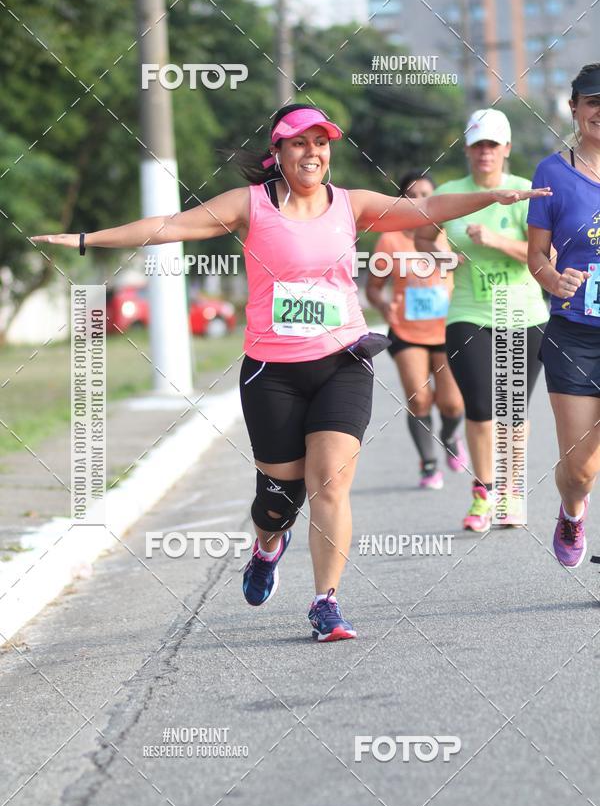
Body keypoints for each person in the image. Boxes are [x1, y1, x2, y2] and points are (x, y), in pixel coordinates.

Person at [32, 103, 551, 640]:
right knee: (277, 501)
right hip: (273, 371)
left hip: (342, 362)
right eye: (300, 142)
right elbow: (170, 226)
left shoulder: (351, 205)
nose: (313, 153)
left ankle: (326, 601)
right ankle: (267, 546)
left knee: (330, 480)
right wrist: (88, 240)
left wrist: (491, 196)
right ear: (277, 152)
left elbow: (426, 209)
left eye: (321, 143)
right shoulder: (249, 205)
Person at [415, 108, 549, 532]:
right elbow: (421, 235)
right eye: (477, 145)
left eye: (492, 145)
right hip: (469, 312)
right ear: (468, 149)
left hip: (524, 312)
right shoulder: (452, 193)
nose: (484, 153)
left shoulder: (528, 192)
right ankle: (483, 493)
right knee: (479, 407)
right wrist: (442, 256)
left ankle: (511, 492)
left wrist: (494, 239)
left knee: (513, 411)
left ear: (506, 149)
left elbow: (547, 258)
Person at [527, 63, 600, 568]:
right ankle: (572, 510)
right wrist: (555, 281)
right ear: (574, 107)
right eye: (593, 101)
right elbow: (536, 256)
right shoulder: (552, 173)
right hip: (574, 335)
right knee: (580, 469)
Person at [366, 170, 467, 490]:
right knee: (420, 399)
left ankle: (450, 435)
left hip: (448, 329)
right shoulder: (389, 239)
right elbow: (373, 288)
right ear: (401, 201)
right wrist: (385, 308)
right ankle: (428, 464)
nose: (419, 200)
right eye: (410, 195)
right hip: (407, 332)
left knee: (453, 404)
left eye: (425, 193)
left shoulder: (449, 235)